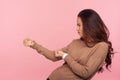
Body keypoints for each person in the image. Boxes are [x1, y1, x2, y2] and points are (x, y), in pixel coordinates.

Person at [23, 9, 114, 80]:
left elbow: (86, 73)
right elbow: (53, 56)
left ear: (88, 25)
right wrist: (34, 45)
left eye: (79, 25)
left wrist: (66, 56)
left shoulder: (101, 46)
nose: (76, 29)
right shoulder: (75, 43)